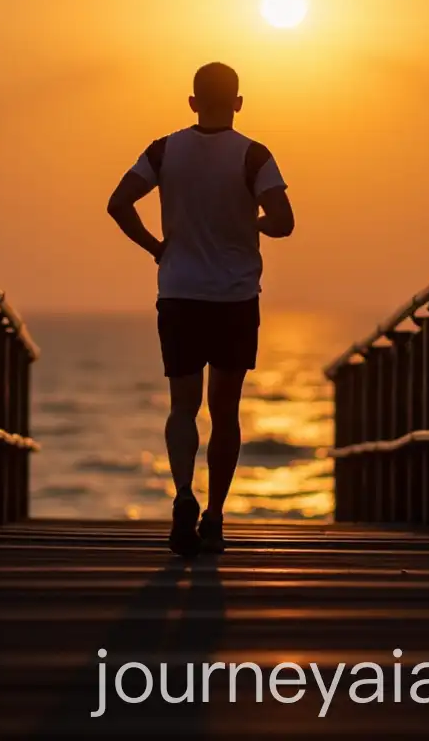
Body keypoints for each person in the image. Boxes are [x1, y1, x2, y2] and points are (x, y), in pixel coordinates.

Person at [106, 62, 294, 556]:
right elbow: (284, 220)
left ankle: (184, 495)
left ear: (192, 102)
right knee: (225, 412)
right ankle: (214, 517)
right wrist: (251, 223)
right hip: (234, 297)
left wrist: (156, 247)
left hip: (180, 293)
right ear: (238, 103)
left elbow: (118, 203)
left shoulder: (163, 150)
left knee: (182, 407)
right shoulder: (254, 155)